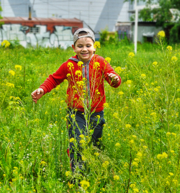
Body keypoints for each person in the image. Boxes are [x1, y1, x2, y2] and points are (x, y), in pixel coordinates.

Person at [31, 28, 121, 173]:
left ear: (94, 46)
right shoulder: (69, 64)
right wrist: (42, 89)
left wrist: (115, 79)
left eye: (88, 46)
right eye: (80, 46)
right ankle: (77, 173)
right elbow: (54, 79)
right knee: (78, 142)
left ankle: (92, 171)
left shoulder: (101, 62)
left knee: (95, 145)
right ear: (74, 48)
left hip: (97, 112)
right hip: (76, 113)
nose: (84, 49)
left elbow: (113, 80)